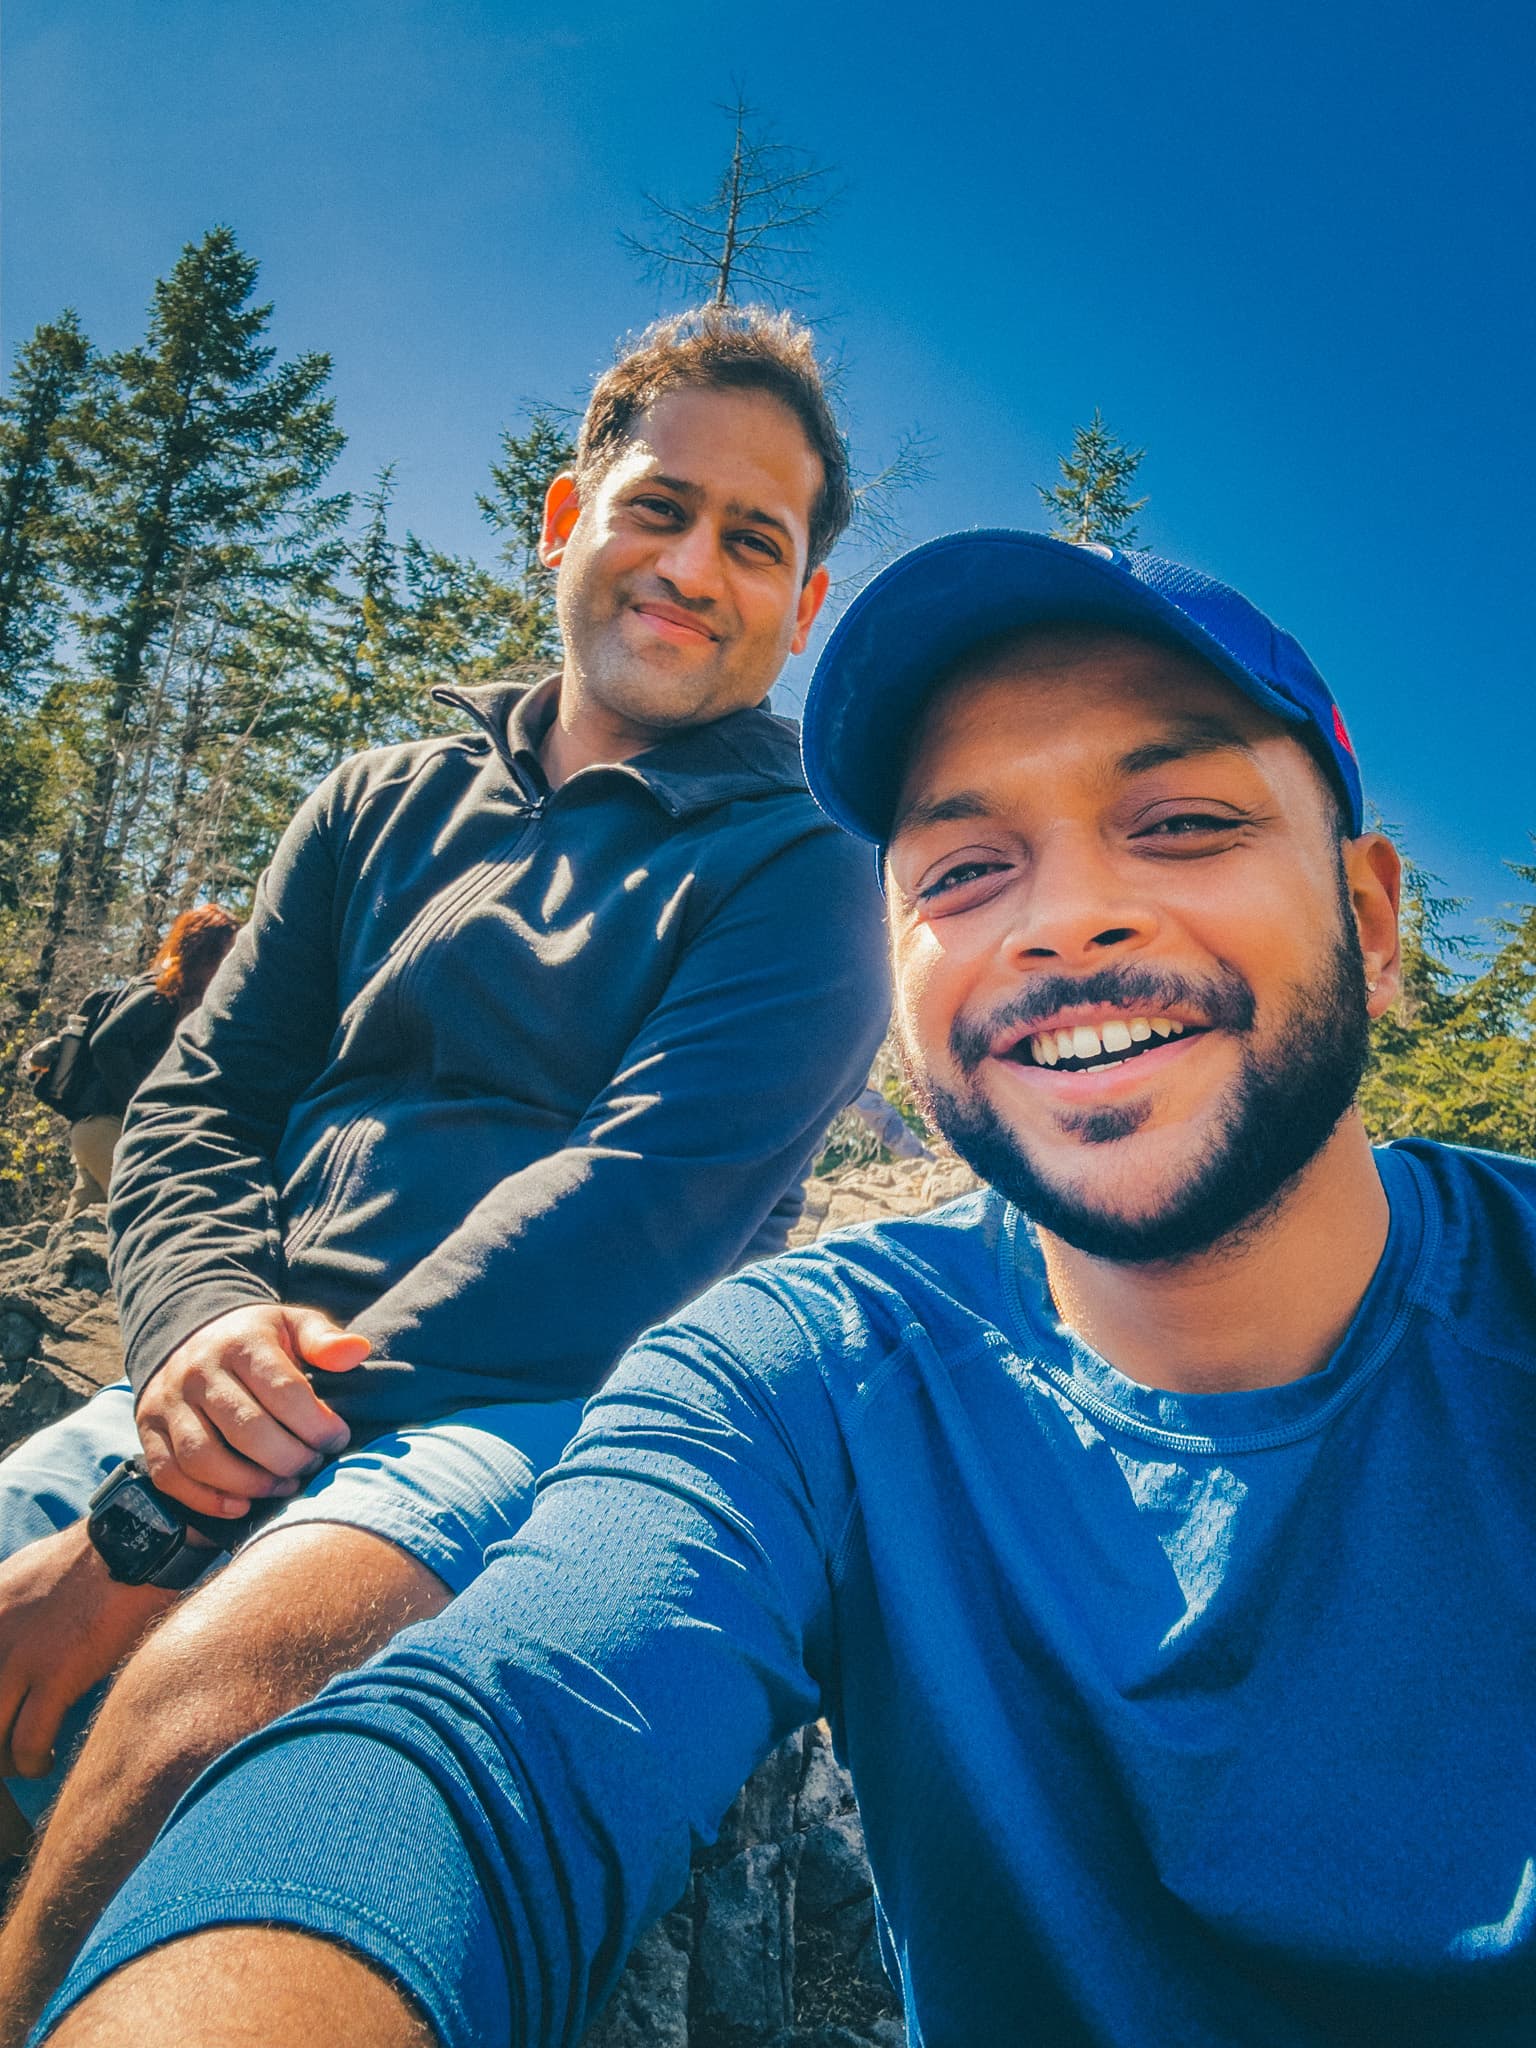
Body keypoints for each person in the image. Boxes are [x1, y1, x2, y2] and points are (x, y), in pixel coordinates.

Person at [33, 531, 1536, 2048]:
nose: (1064, 915)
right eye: (964, 867)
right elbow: (488, 1747)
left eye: (1186, 822)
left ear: (1371, 917)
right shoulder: (810, 1380)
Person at [0, 306, 889, 2034]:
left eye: (754, 540)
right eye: (658, 507)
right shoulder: (371, 800)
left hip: (526, 1415)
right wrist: (198, 1331)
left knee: (188, 1723)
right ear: (567, 518)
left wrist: (163, 1516)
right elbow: (199, 1102)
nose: (691, 566)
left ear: (803, 606)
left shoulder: (805, 873)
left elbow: (627, 1221)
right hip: (229, 1371)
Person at [33, 909, 241, 1217]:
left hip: (92, 1130)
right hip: (109, 1128)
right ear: (204, 952)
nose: (232, 963)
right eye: (227, 952)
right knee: (157, 1214)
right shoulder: (162, 995)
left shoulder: (176, 997)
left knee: (81, 1230)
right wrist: (140, 1107)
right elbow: (106, 1042)